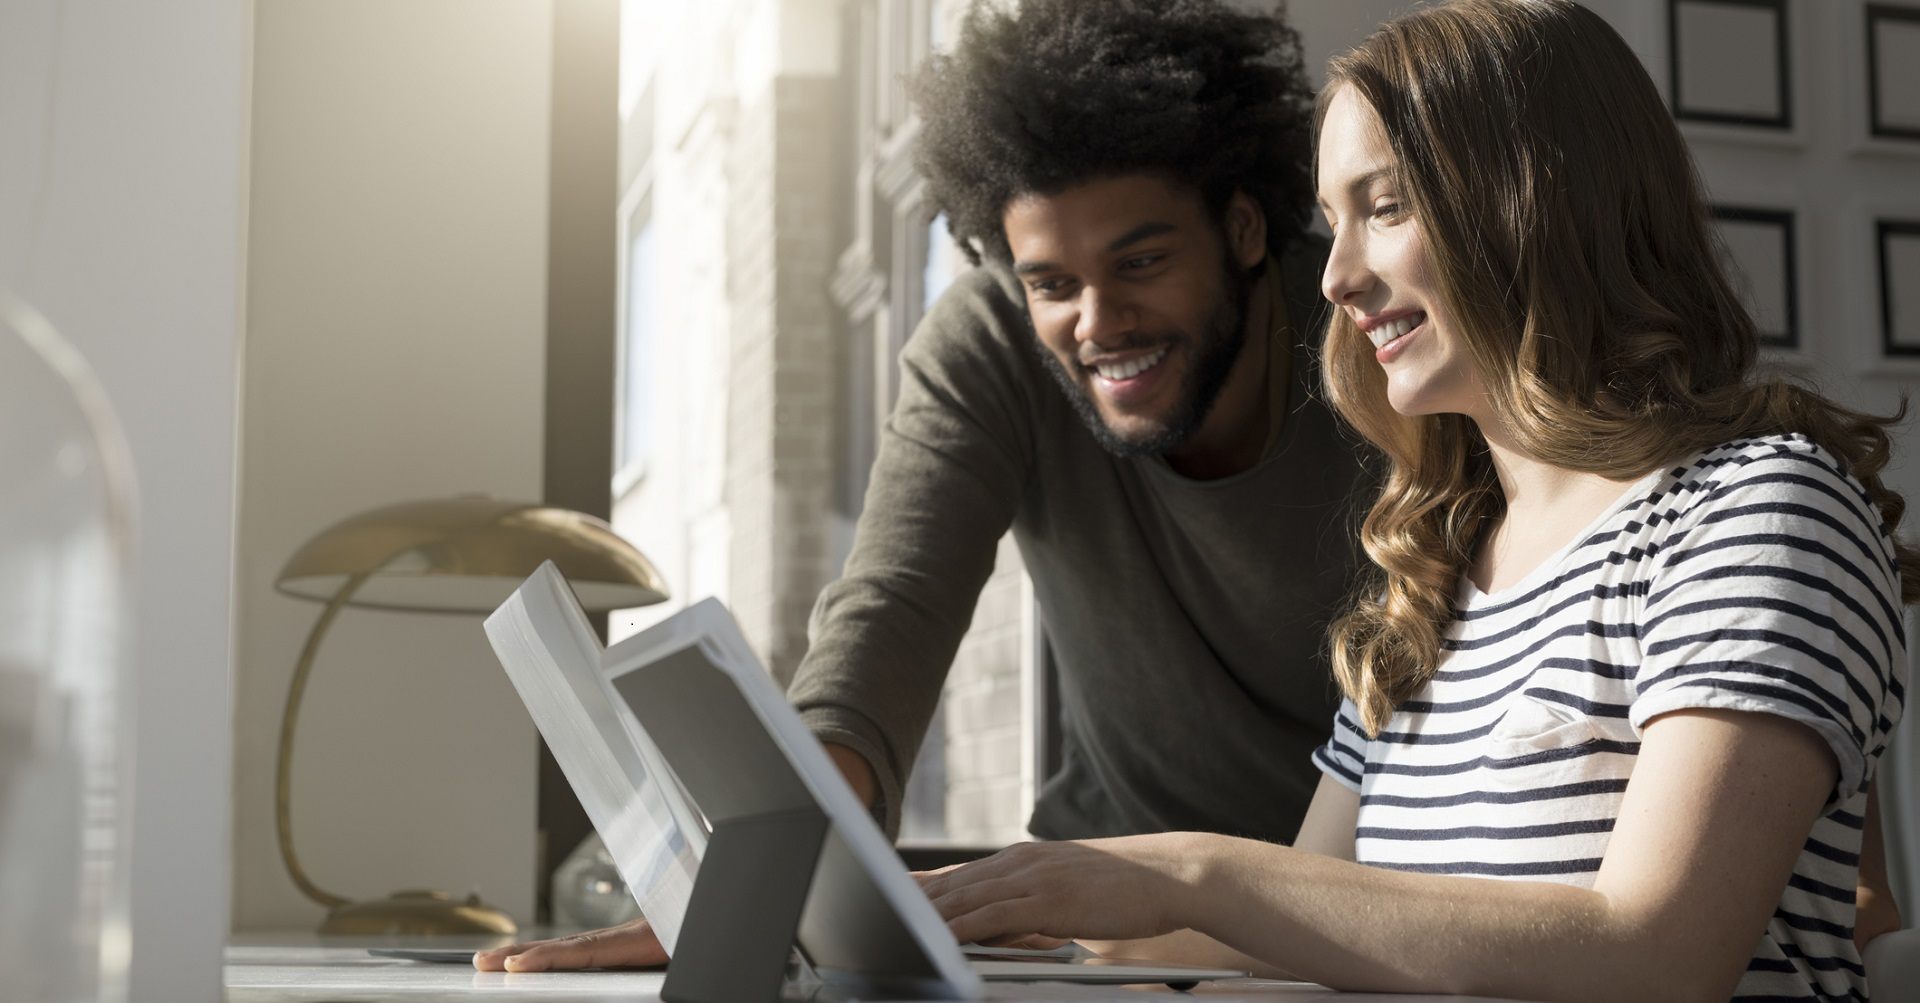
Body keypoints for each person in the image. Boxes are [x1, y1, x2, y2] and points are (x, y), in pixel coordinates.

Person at [912, 2, 1911, 999]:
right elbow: (1322, 927)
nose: (1339, 278)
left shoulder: (1758, 511)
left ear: (1533, 202)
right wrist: (1032, 931)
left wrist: (1189, 872)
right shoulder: (1431, 575)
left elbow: (1655, 953)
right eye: (1333, 223)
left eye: (1384, 208)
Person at [478, 0, 1371, 973]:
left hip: (1351, 924)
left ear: (1243, 227)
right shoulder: (993, 342)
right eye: (1051, 282)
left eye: (1142, 261)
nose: (1097, 320)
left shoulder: (1376, 340)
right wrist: (765, 876)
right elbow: (888, 611)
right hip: (1096, 932)